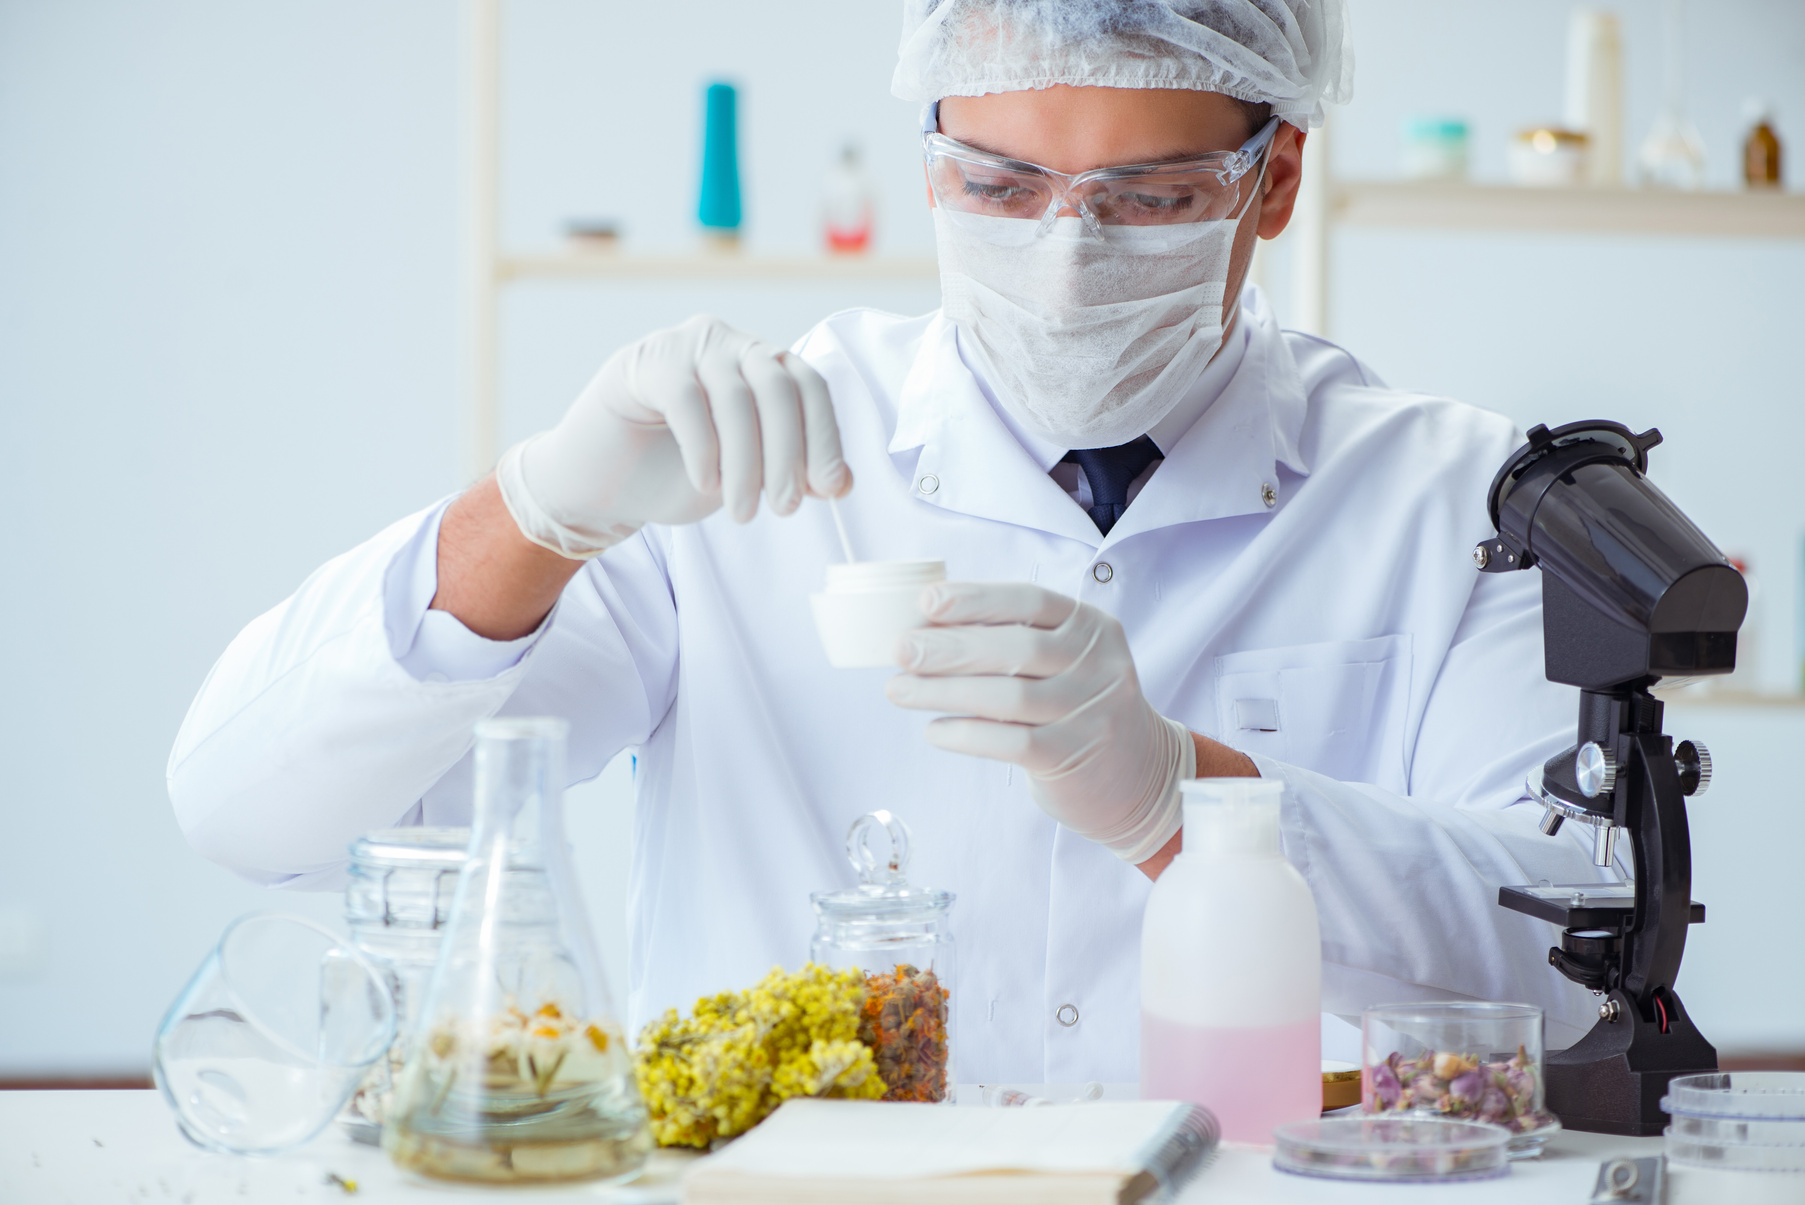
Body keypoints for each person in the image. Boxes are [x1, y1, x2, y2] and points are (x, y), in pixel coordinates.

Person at [169, 0, 1624, 1082]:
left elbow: (1574, 963)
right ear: (928, 163)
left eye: (1151, 199)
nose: (1065, 256)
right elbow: (249, 812)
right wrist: (537, 511)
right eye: (998, 188)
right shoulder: (737, 463)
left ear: (1275, 178)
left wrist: (1194, 800)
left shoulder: (1460, 493)